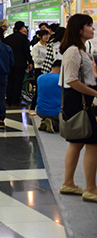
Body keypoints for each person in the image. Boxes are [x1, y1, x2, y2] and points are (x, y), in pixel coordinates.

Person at [59, 13, 97, 203]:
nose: (93, 29)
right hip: (80, 99)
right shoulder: (73, 51)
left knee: (77, 143)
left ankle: (69, 182)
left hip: (80, 98)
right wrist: (95, 93)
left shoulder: (81, 50)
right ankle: (91, 188)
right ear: (79, 29)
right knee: (92, 144)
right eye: (89, 25)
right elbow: (72, 80)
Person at [3, 21, 33, 106]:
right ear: (22, 28)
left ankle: (8, 99)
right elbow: (26, 51)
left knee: (10, 81)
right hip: (20, 63)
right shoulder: (23, 38)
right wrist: (30, 62)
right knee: (18, 82)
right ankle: (15, 100)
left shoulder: (8, 38)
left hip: (9, 63)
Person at [37, 60, 62, 133]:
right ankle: (54, 124)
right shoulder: (61, 79)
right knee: (67, 125)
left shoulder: (40, 77)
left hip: (40, 111)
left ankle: (45, 120)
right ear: (61, 69)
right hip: (57, 112)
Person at [29, 30, 50, 114]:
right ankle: (32, 108)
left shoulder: (48, 46)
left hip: (48, 69)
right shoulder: (36, 47)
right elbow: (36, 59)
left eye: (48, 35)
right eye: (45, 35)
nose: (47, 37)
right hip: (39, 69)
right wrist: (45, 60)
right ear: (40, 37)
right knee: (39, 89)